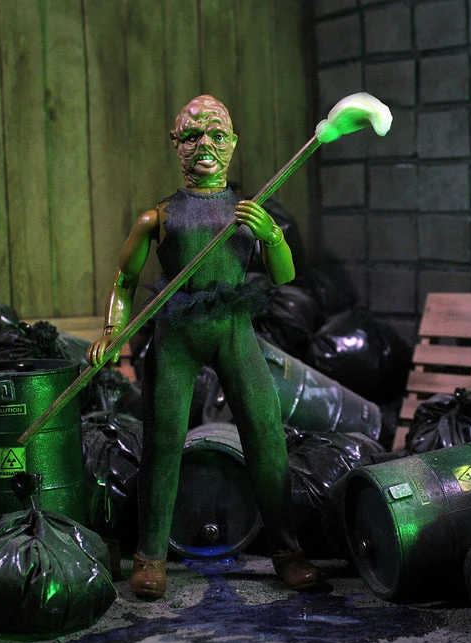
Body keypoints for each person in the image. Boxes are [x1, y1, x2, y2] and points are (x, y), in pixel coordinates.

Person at [87, 94, 322, 600]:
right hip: (177, 333)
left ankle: (288, 551)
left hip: (233, 327)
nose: (205, 145)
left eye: (217, 134)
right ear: (176, 144)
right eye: (192, 136)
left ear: (233, 142)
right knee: (163, 438)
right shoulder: (158, 217)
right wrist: (112, 330)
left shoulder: (248, 213)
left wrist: (271, 236)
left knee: (266, 430)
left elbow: (284, 277)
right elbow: (124, 279)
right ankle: (150, 555)